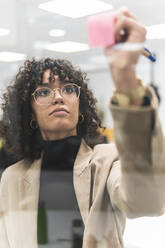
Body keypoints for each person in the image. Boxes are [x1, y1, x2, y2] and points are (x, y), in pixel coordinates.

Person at [0, 8, 165, 248]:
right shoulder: (13, 177)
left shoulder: (107, 163)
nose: (58, 97)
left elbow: (149, 202)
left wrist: (126, 81)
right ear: (30, 114)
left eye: (68, 89)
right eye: (44, 91)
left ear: (81, 106)